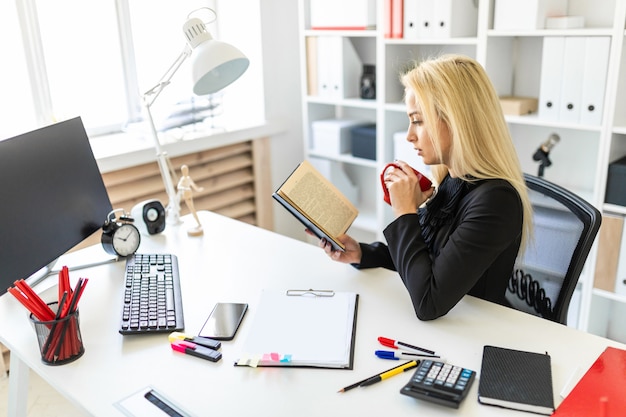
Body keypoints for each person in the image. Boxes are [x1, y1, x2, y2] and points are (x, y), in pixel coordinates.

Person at [317, 54, 533, 321]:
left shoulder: (496, 202)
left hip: (472, 334)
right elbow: (423, 259)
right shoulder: (453, 180)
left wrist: (406, 212)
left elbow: (428, 302)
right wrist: (363, 253)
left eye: (418, 121)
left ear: (457, 120)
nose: (409, 135)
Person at [177, 164, 204, 236]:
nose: (186, 172)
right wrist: (185, 188)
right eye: (184, 170)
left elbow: (193, 185)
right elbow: (179, 186)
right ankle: (197, 223)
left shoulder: (188, 178)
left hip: (189, 193)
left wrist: (198, 189)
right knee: (192, 209)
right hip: (186, 194)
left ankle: (198, 223)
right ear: (182, 171)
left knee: (193, 209)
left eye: (186, 170)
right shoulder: (182, 179)